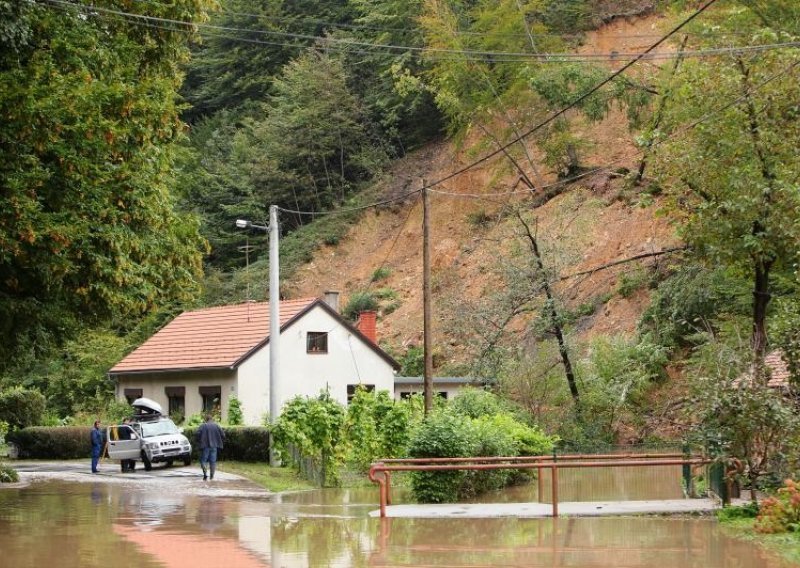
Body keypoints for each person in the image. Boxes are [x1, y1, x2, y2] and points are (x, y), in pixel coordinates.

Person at [196, 413, 225, 480]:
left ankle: (205, 473)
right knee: (213, 462)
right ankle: (212, 476)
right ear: (212, 419)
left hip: (205, 446)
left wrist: (199, 441)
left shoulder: (203, 426)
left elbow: (197, 434)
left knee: (203, 460)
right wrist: (219, 440)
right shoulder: (216, 425)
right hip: (214, 446)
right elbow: (223, 435)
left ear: (206, 419)